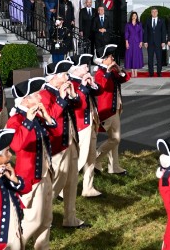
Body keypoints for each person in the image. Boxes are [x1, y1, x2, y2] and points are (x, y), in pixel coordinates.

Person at [7, 78, 55, 250]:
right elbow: (16, 145)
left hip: (45, 172)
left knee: (47, 218)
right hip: (30, 176)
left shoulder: (36, 114)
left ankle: (43, 247)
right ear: (26, 100)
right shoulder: (16, 120)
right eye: (36, 96)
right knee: (33, 220)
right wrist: (28, 120)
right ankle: (13, 247)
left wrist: (46, 116)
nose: (41, 98)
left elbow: (54, 128)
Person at [39, 60, 87, 229]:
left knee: (72, 181)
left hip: (71, 140)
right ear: (55, 77)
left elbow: (79, 106)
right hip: (58, 145)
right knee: (57, 182)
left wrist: (72, 95)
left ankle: (70, 218)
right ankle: (42, 217)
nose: (68, 77)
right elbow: (50, 118)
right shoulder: (43, 95)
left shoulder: (64, 90)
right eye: (65, 74)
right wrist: (61, 97)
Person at [68, 54, 102, 198]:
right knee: (80, 158)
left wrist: (92, 84)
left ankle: (88, 187)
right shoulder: (72, 84)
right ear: (75, 69)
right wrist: (83, 86)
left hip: (91, 122)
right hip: (81, 125)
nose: (87, 68)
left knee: (91, 157)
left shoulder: (83, 81)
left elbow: (99, 91)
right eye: (84, 66)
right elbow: (78, 104)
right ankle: (65, 188)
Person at [94, 44, 131, 176]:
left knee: (113, 139)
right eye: (110, 56)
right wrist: (109, 72)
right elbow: (103, 87)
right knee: (115, 139)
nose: (113, 58)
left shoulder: (111, 70)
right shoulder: (100, 73)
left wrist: (119, 70)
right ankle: (95, 159)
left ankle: (113, 167)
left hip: (115, 108)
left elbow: (125, 78)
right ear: (104, 59)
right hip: (107, 110)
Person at [144, 7, 167, 77]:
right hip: (150, 42)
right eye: (153, 12)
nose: (154, 13)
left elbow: (163, 31)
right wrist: (145, 41)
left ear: (157, 13)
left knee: (159, 58)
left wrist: (163, 41)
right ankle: (151, 72)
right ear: (151, 13)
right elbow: (146, 32)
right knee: (150, 58)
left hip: (159, 42)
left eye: (155, 11)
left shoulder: (162, 20)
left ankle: (159, 72)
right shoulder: (148, 20)